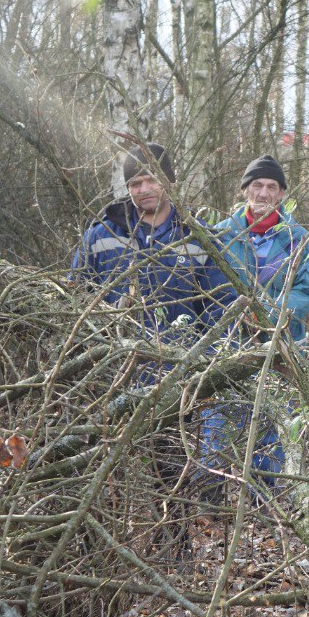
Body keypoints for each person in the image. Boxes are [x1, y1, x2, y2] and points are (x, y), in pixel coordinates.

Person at [70, 142, 236, 554]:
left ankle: (174, 551)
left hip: (173, 377)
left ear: (169, 182)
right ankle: (103, 556)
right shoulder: (102, 236)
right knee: (103, 473)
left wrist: (208, 370)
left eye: (151, 179)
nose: (143, 188)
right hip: (109, 376)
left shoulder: (198, 237)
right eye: (135, 182)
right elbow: (74, 301)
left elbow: (218, 308)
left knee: (171, 470)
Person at [201, 154, 309, 492]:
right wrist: (235, 313)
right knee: (218, 422)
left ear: (282, 194)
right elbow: (208, 286)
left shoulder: (300, 239)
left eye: (272, 187)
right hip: (227, 348)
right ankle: (206, 498)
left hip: (279, 351)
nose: (264, 193)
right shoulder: (220, 236)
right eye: (257, 185)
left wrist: (269, 316)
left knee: (270, 425)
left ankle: (265, 499)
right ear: (244, 191)